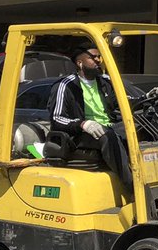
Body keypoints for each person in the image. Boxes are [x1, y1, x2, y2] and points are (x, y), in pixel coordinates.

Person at [48, 46, 134, 193]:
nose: (98, 60)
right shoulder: (65, 85)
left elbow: (122, 103)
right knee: (108, 136)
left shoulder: (104, 82)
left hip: (109, 126)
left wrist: (147, 98)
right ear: (80, 63)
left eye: (99, 57)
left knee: (152, 122)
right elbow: (56, 118)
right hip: (81, 135)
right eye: (93, 57)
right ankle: (132, 187)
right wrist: (82, 123)